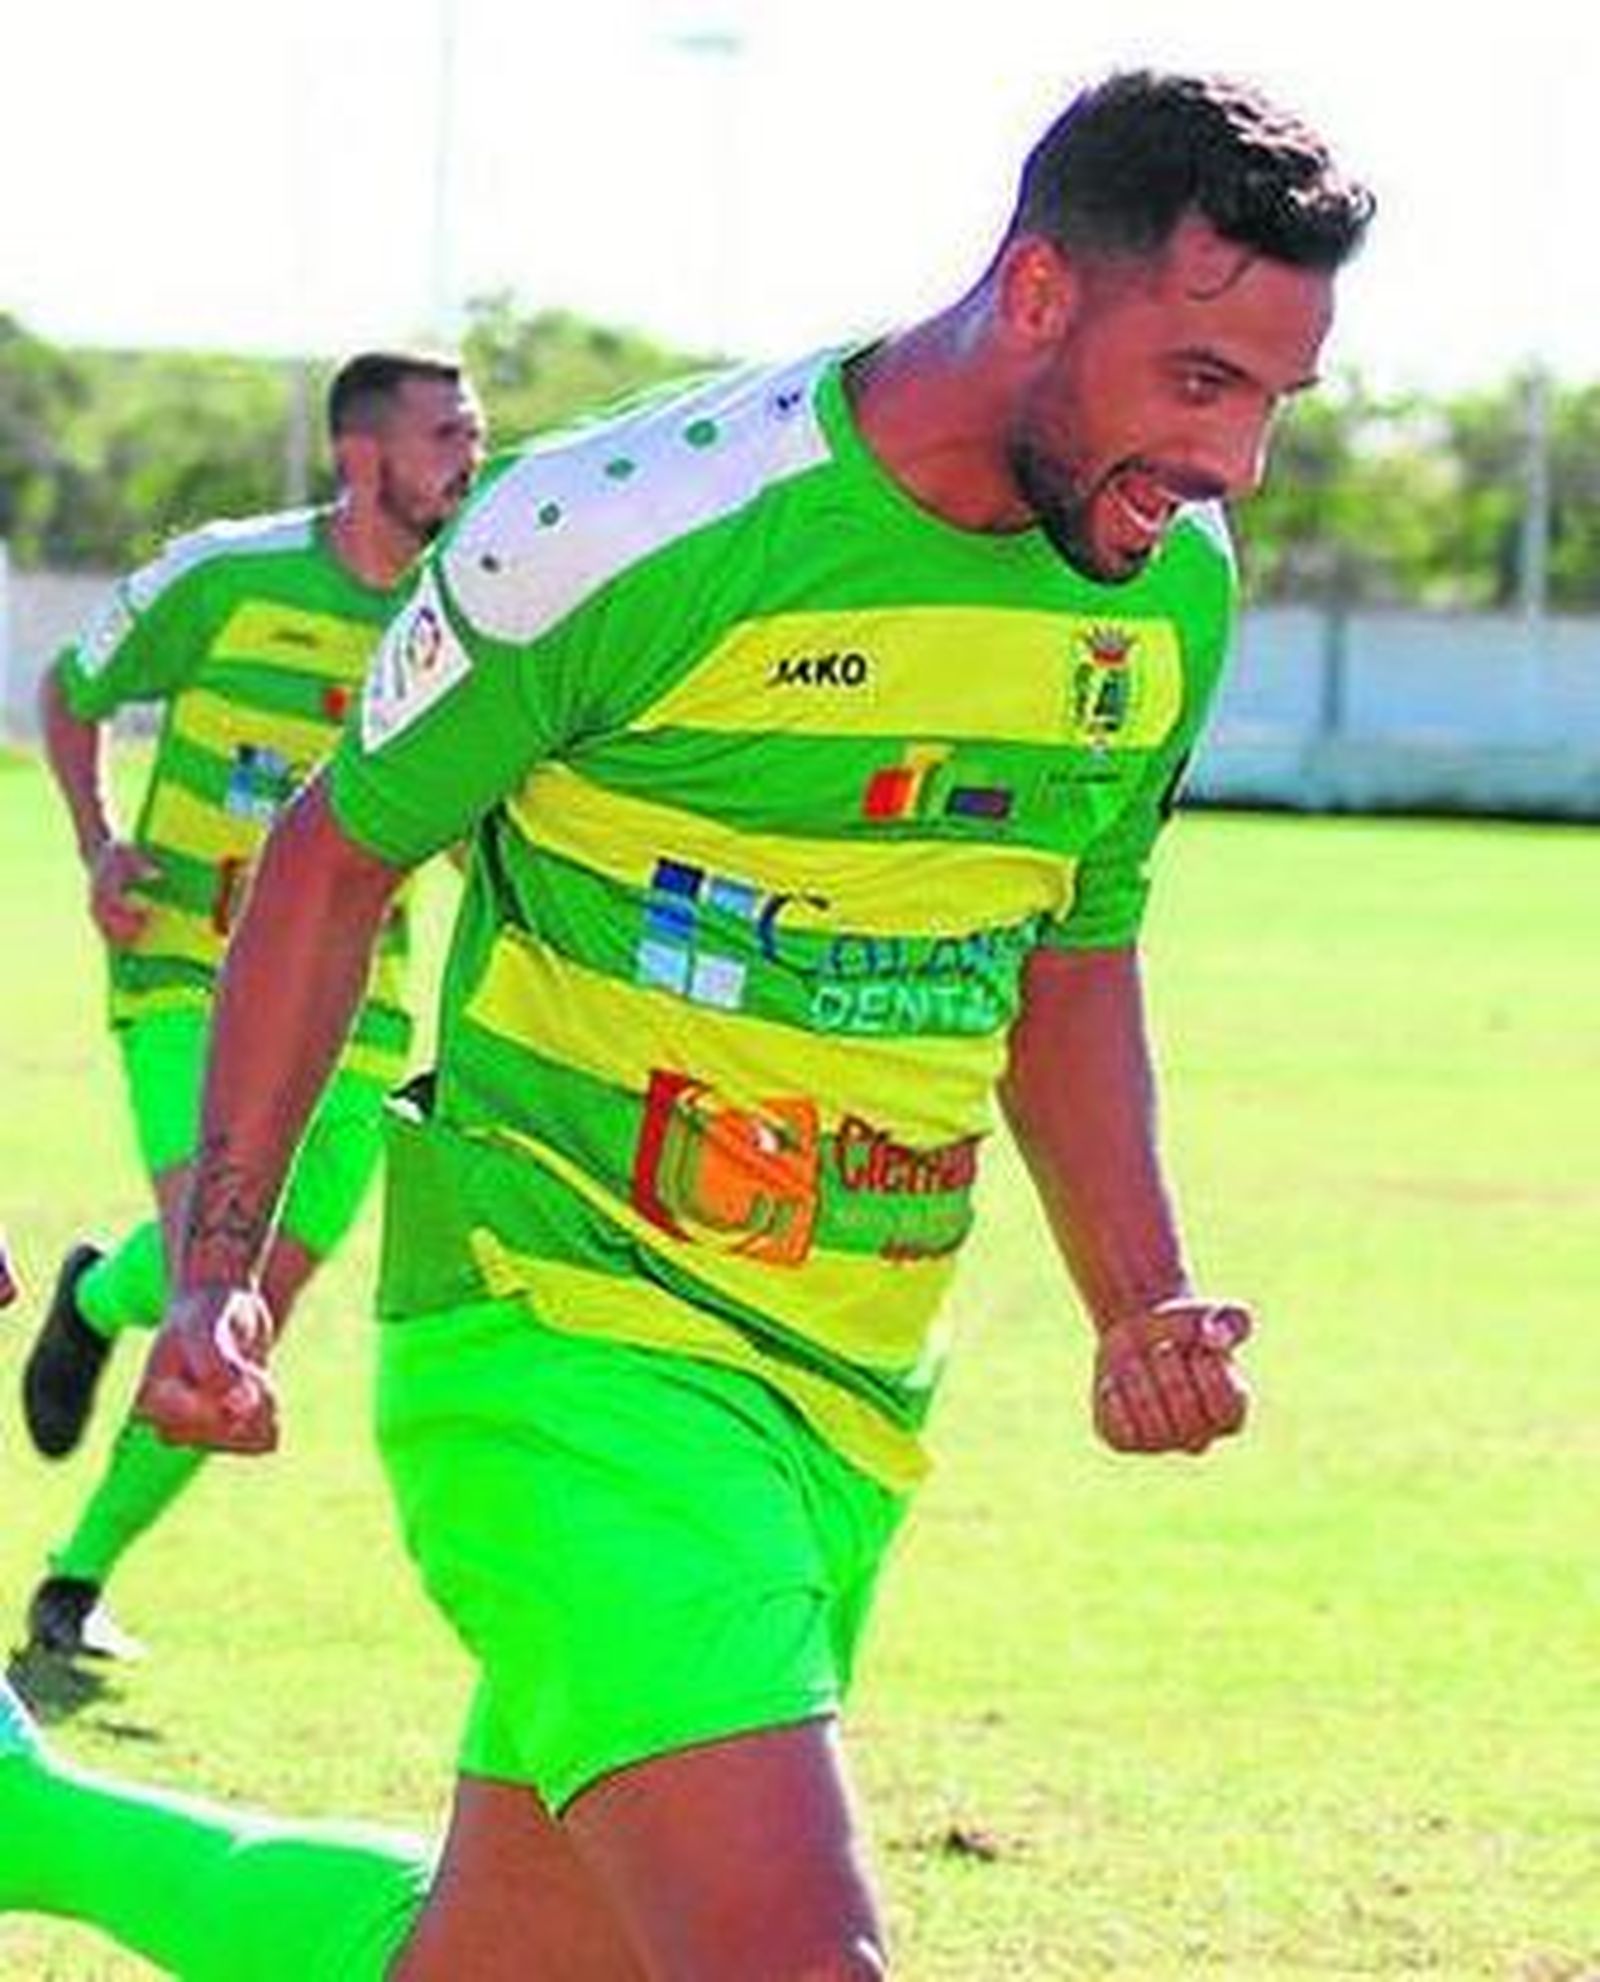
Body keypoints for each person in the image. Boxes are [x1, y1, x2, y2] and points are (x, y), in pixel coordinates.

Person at [0, 70, 1372, 1981]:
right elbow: (333, 855)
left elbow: (1071, 943)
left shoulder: (1164, 593)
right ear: (1040, 292)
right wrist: (219, 1267)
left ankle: (33, 1820)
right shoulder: (629, 526)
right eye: (1201, 379)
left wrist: (1142, 1295)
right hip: (565, 1344)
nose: (1235, 461)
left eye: (1277, 398)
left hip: (849, 1389)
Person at [14, 351, 485, 1665]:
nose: (471, 461)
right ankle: (124, 1311)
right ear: (361, 456)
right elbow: (72, 691)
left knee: (243, 1309)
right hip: (182, 968)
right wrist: (98, 843)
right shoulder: (223, 576)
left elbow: (464, 819)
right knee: (205, 1279)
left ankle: (76, 1560)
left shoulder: (464, 618)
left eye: (477, 435)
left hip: (361, 1015)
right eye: (446, 436)